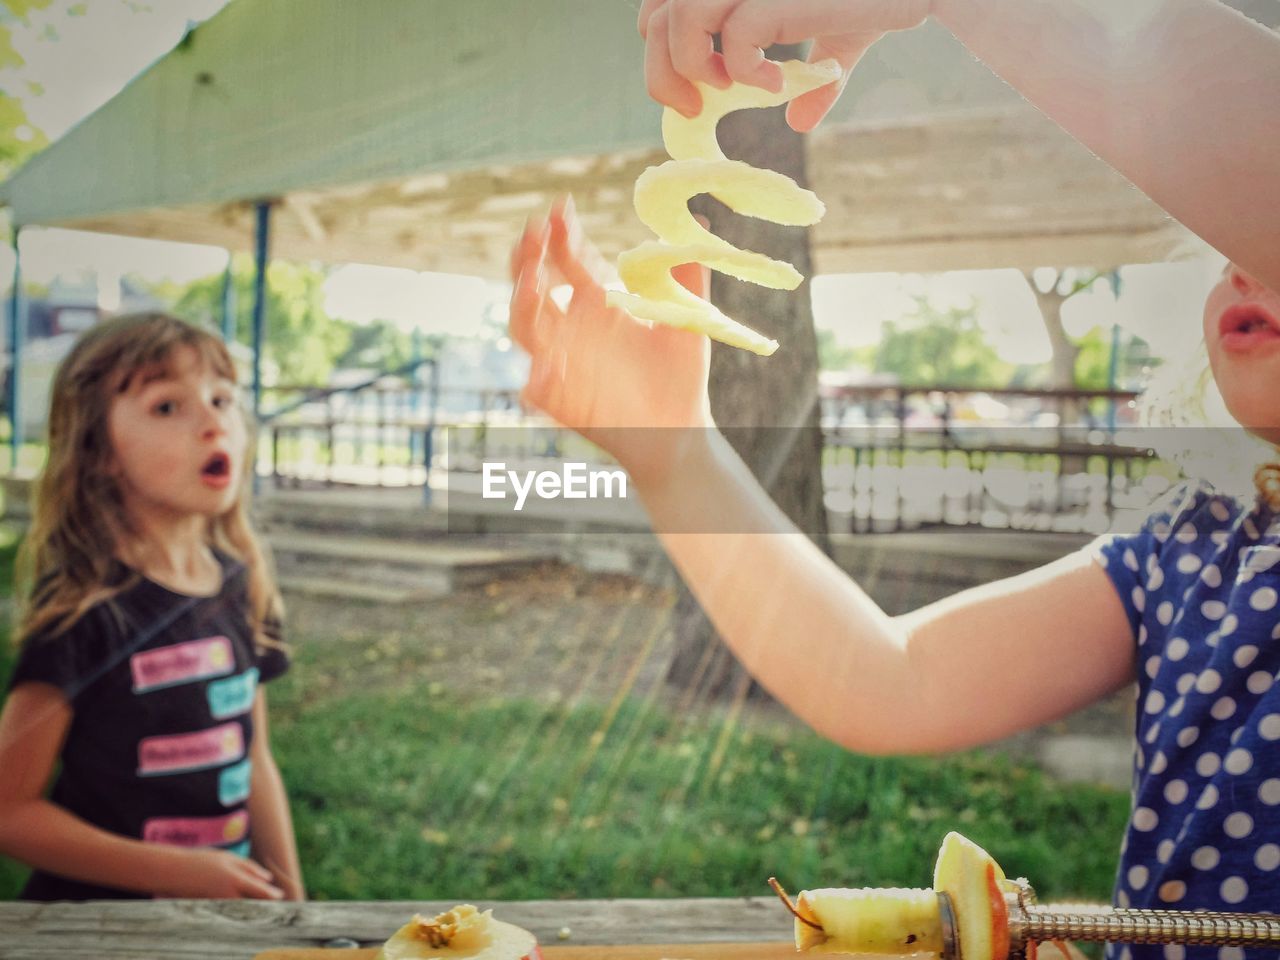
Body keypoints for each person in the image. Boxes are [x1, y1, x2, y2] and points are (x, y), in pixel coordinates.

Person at [508, 0, 1280, 955]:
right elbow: (890, 679)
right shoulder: (1189, 550)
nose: (1245, 269)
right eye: (1226, 252)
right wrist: (676, 452)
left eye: (1258, 236)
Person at [0, 313, 304, 901]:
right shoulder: (87, 611)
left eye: (222, 399)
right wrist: (181, 874)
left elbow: (255, 756)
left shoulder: (242, 585)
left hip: (217, 929)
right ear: (99, 453)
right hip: (101, 931)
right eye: (168, 407)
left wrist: (294, 903)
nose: (213, 423)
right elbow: (10, 810)